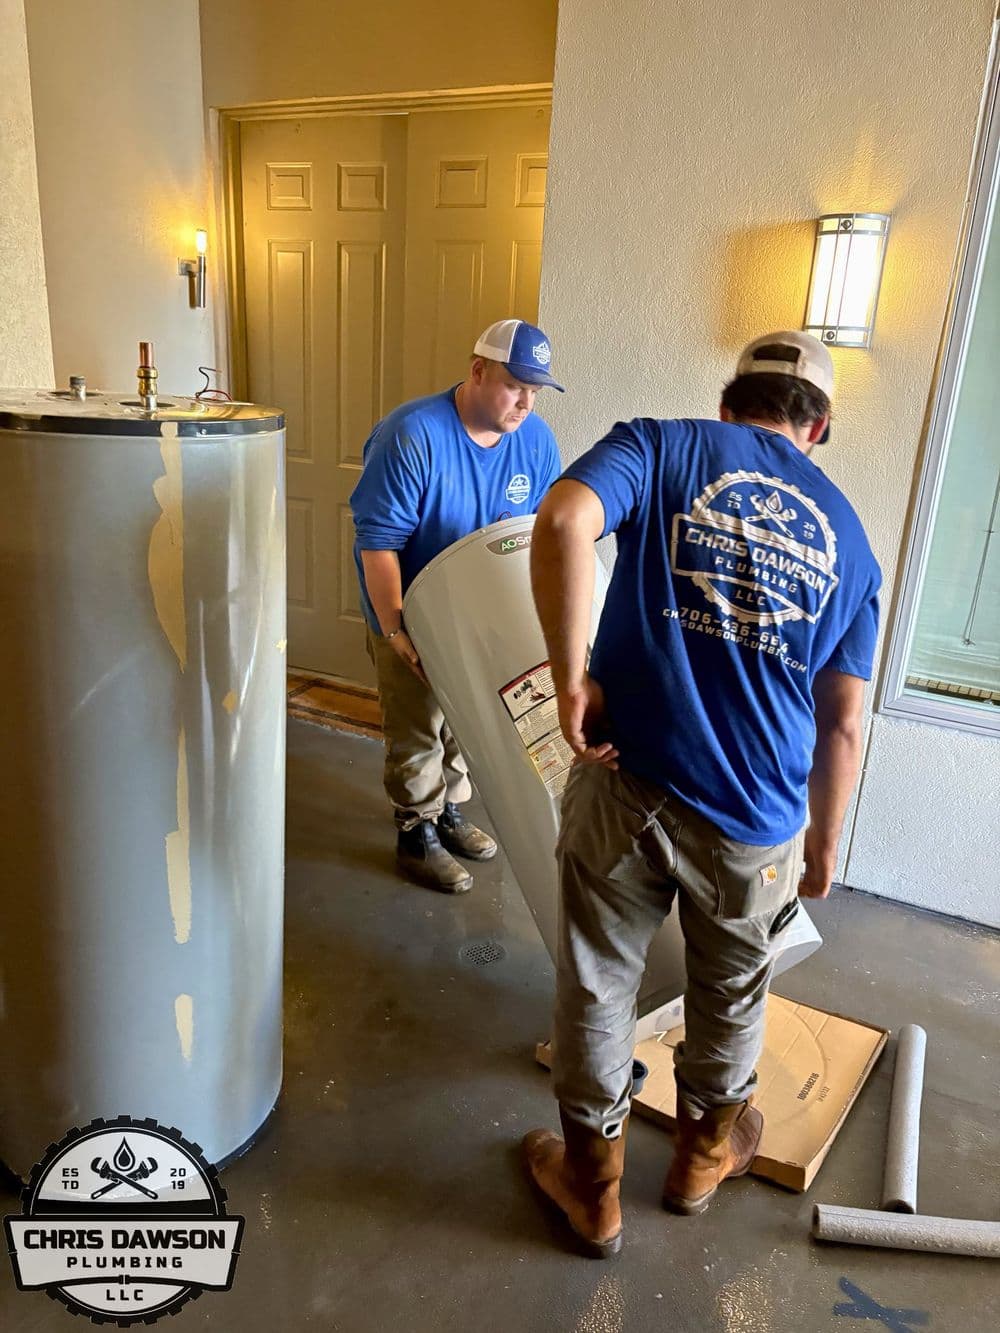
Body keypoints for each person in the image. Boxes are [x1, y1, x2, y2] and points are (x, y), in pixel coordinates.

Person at [522, 331, 881, 1257]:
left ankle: (592, 1191)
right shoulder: (849, 537)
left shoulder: (662, 442)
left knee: (600, 978)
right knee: (731, 988)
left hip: (624, 772)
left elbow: (563, 521)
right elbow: (843, 722)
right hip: (754, 816)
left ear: (730, 404)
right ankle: (698, 1161)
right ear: (821, 426)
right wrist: (826, 840)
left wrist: (569, 678)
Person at [350, 319, 564, 894]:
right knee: (417, 726)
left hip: (483, 609)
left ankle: (449, 811)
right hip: (409, 609)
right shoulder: (413, 434)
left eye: (535, 391)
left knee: (466, 725)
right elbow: (379, 543)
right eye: (514, 386)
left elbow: (532, 533)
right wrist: (395, 630)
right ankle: (415, 829)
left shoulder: (536, 440)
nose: (524, 402)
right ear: (477, 371)